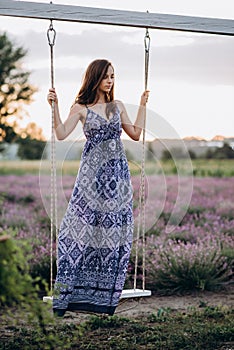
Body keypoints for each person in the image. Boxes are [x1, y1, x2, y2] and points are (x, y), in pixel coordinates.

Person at [47, 59, 149, 317]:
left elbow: (135, 133)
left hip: (117, 177)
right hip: (90, 178)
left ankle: (102, 299)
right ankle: (69, 294)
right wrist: (55, 106)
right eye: (105, 77)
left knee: (114, 233)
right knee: (76, 229)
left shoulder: (118, 106)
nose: (110, 81)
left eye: (113, 76)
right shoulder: (80, 108)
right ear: (95, 78)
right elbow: (61, 133)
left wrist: (144, 105)